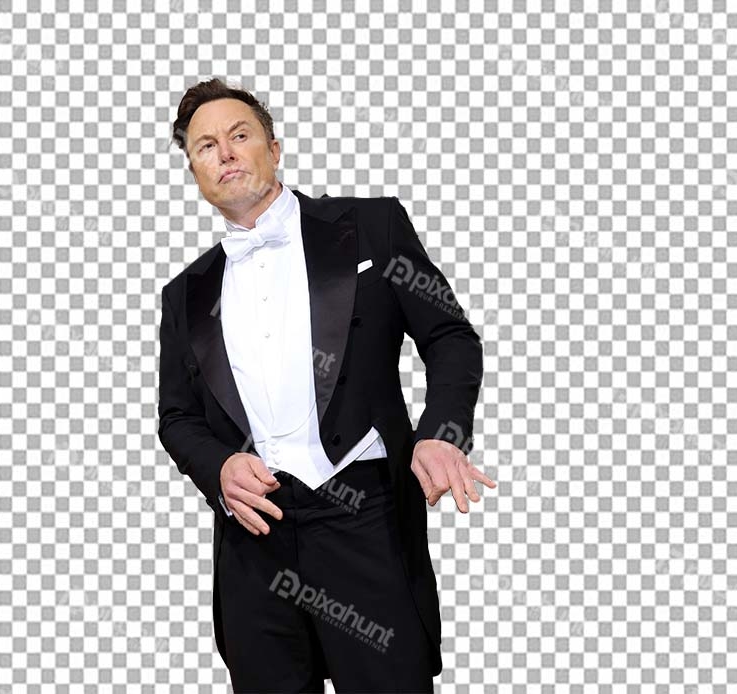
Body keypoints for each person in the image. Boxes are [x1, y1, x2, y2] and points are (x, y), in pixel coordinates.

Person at [157, 76, 496, 693]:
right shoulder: (184, 294)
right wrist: (220, 468)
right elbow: (177, 417)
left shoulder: (372, 227)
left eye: (240, 135)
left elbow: (450, 337)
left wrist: (441, 434)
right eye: (205, 146)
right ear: (195, 171)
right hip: (254, 534)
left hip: (362, 515)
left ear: (274, 148)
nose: (225, 152)